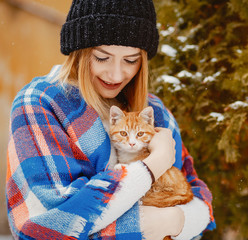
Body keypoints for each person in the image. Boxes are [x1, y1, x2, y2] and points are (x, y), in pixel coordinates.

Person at [6, 0, 216, 239]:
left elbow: (199, 200)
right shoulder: (41, 102)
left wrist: (176, 220)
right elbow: (44, 227)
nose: (116, 74)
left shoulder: (154, 111)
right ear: (80, 52)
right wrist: (155, 164)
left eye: (131, 60)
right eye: (102, 57)